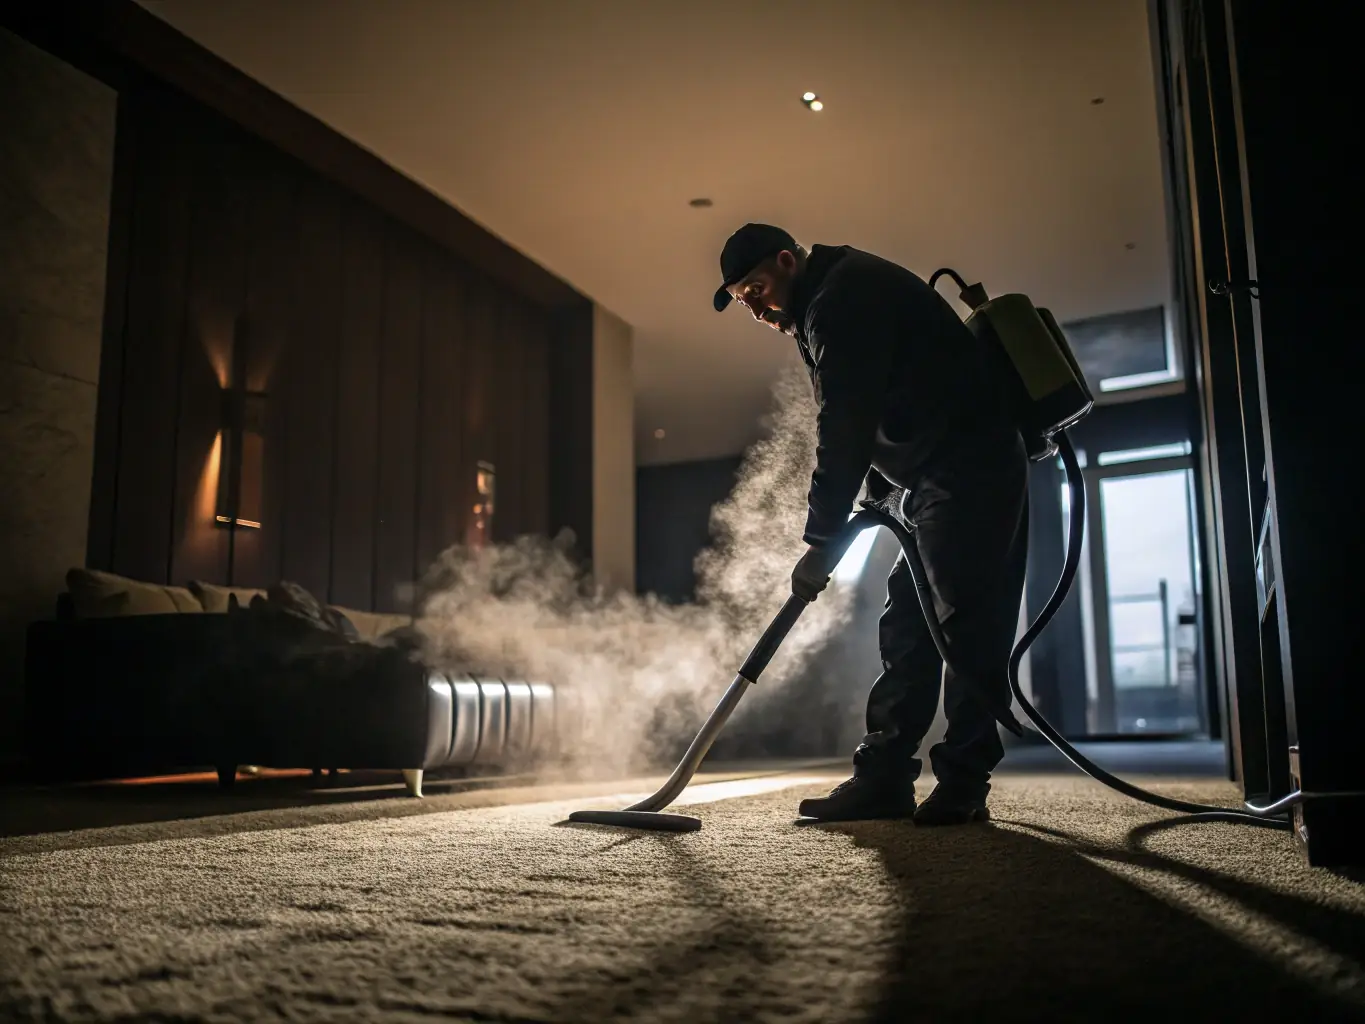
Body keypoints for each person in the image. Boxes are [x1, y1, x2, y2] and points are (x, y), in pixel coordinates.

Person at [712, 223, 1030, 825]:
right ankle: (884, 778)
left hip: (970, 464)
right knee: (909, 624)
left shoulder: (840, 298)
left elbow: (847, 426)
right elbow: (894, 403)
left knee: (964, 624)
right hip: (932, 473)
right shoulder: (825, 300)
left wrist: (822, 540)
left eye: (755, 290)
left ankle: (963, 782)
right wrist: (878, 502)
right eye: (742, 300)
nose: (753, 309)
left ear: (786, 261)